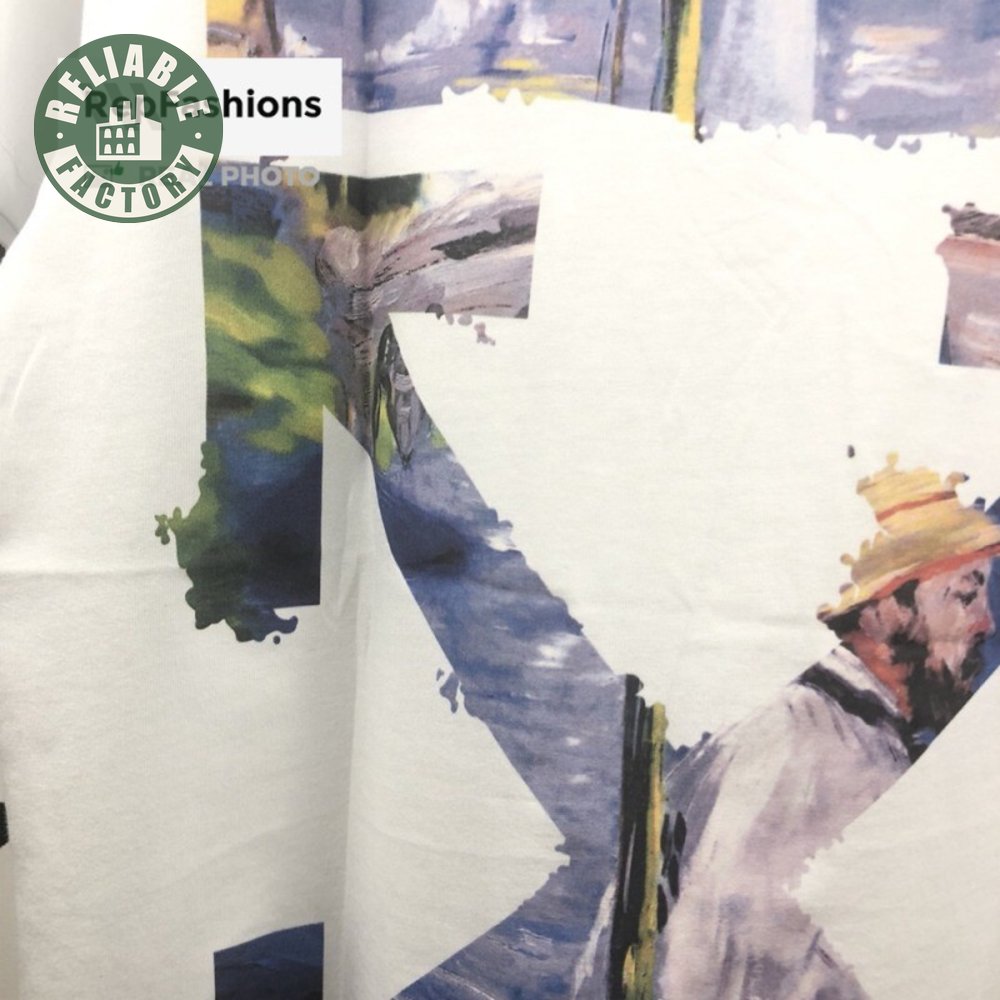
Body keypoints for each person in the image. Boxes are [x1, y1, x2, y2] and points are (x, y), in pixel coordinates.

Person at [654, 454, 1000, 999]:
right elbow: (707, 973)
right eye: (965, 593)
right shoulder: (813, 752)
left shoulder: (845, 735)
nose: (985, 622)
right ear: (884, 609)